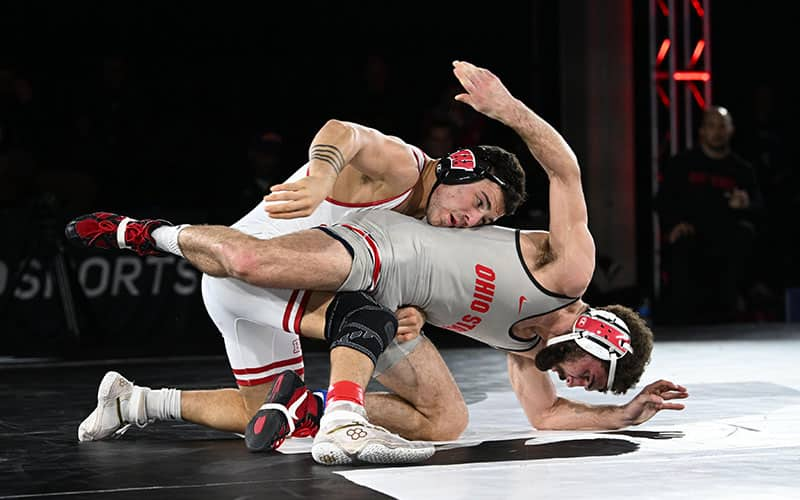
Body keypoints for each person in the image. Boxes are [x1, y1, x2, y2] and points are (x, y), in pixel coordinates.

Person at [67, 61, 688, 465]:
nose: (475, 220)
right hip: (323, 259)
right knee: (271, 272)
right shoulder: (559, 265)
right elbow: (564, 169)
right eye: (476, 203)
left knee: (445, 416)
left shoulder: (523, 344)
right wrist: (321, 175)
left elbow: (546, 412)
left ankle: (142, 402)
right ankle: (142, 231)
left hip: (335, 285)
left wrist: (621, 414)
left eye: (484, 216)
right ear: (600, 336)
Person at [656, 105, 766, 324]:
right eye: (712, 126)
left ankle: (735, 309)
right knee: (682, 247)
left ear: (731, 130)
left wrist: (745, 204)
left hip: (727, 237)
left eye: (722, 126)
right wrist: (674, 224)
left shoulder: (742, 169)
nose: (717, 132)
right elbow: (662, 201)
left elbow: (759, 206)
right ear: (702, 130)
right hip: (693, 235)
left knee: (744, 235)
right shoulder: (683, 164)